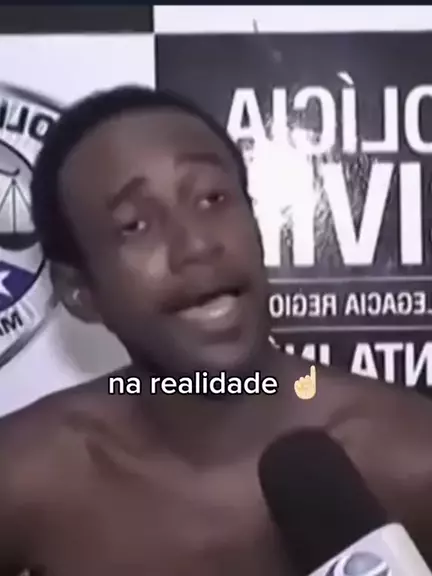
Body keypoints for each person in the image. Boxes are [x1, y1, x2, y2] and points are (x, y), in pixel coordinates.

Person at [1, 85, 432, 576]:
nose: (196, 245)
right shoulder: (27, 474)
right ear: (80, 291)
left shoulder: (410, 453)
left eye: (212, 198)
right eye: (134, 225)